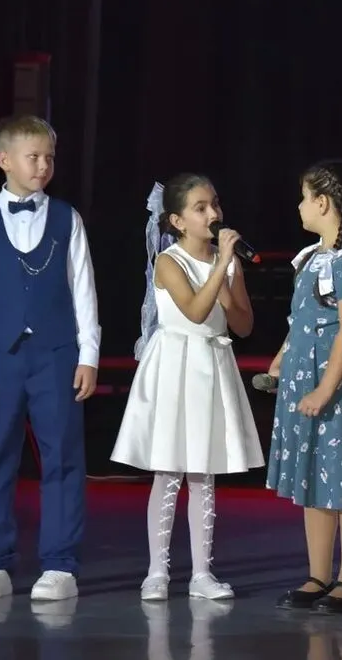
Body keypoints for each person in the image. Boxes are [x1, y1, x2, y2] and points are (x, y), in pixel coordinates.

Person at [0, 114, 101, 602]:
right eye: (33, 157)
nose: (43, 166)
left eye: (49, 157)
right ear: (4, 160)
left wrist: (89, 354)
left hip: (56, 354)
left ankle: (60, 564)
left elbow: (84, 290)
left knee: (63, 457)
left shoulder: (67, 218)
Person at [110, 173, 264, 601]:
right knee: (169, 470)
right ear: (177, 221)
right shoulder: (169, 261)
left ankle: (202, 573)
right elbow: (195, 311)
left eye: (215, 204)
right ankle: (157, 571)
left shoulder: (227, 261)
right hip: (176, 365)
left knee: (203, 471)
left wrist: (228, 274)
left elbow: (243, 325)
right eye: (201, 208)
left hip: (211, 364)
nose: (213, 213)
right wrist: (220, 268)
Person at [266, 159, 342, 615]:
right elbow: (301, 320)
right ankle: (318, 574)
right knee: (314, 476)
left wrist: (324, 389)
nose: (300, 206)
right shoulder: (311, 258)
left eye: (304, 198)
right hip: (304, 377)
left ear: (322, 202)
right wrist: (282, 357)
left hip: (336, 383)